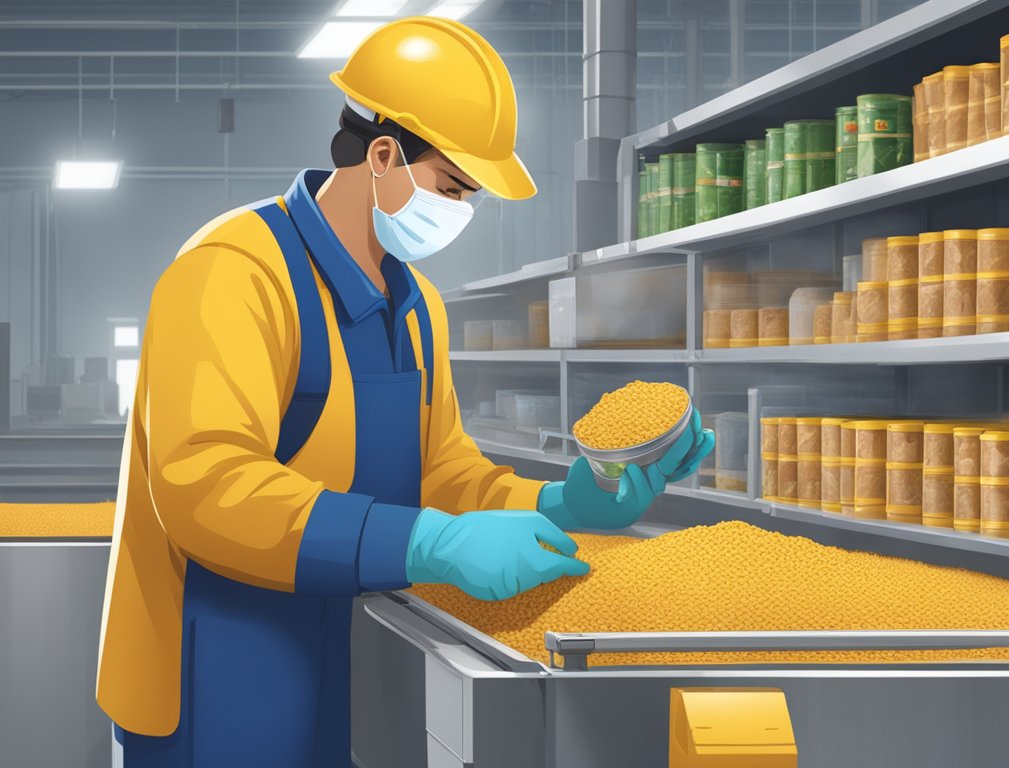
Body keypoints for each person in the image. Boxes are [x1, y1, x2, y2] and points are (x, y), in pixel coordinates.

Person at [95, 17, 713, 767]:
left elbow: (445, 474)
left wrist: (561, 505)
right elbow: (205, 487)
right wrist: (429, 543)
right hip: (218, 661)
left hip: (349, 655)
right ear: (382, 155)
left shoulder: (416, 308)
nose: (462, 209)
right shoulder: (233, 271)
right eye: (453, 185)